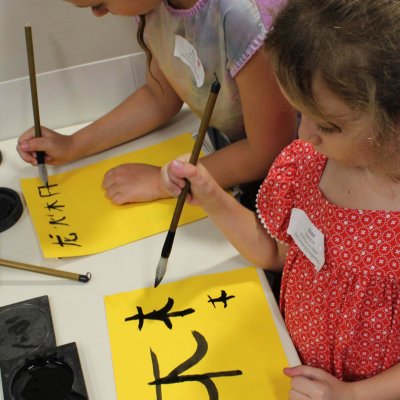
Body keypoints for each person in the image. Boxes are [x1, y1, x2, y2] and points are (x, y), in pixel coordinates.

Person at [161, 0, 400, 398]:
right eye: (299, 114)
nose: (304, 135)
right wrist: (212, 196)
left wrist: (353, 394)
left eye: (327, 125)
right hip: (289, 367)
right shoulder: (308, 165)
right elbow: (276, 253)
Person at [16, 0, 296, 209]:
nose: (99, 13)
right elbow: (161, 94)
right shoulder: (152, 5)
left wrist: (163, 183)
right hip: (236, 157)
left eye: (99, 2)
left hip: (297, 178)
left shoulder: (240, 16)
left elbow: (269, 150)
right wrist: (73, 145)